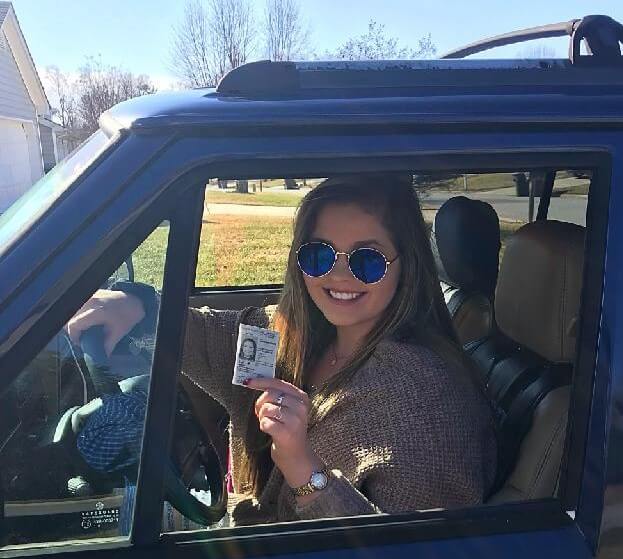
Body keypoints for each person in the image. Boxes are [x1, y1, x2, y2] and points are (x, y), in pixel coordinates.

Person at [68, 175, 496, 523]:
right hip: (254, 550)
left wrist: (304, 472)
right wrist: (141, 307)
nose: (339, 276)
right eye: (319, 255)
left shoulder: (426, 403)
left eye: (368, 258)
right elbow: (222, 340)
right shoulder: (303, 334)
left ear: (407, 264)